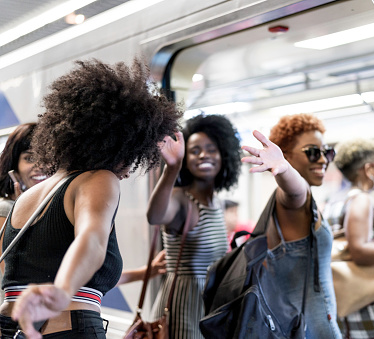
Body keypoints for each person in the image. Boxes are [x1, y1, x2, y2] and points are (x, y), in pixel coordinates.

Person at [0, 58, 182, 339]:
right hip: (68, 329)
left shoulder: (27, 198)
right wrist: (60, 292)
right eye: (133, 155)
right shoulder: (98, 179)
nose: (129, 169)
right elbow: (92, 240)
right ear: (122, 143)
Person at [243, 113, 342, 338]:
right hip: (310, 330)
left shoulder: (300, 207)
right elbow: (295, 191)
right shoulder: (292, 201)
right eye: (312, 152)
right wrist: (285, 169)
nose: (323, 160)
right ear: (286, 155)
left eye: (327, 152)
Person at [146, 113, 242, 338]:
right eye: (195, 150)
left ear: (223, 154)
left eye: (211, 149)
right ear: (186, 159)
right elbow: (155, 216)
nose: (203, 155)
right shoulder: (182, 199)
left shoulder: (217, 204)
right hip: (183, 307)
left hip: (209, 306)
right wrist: (172, 168)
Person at [333, 138, 374, 339]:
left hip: (347, 302)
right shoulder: (361, 199)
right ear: (368, 169)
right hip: (367, 306)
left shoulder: (337, 200)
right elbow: (359, 250)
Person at [0, 123, 46, 226]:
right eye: (30, 158)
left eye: (47, 157)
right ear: (14, 166)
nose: (41, 166)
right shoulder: (5, 209)